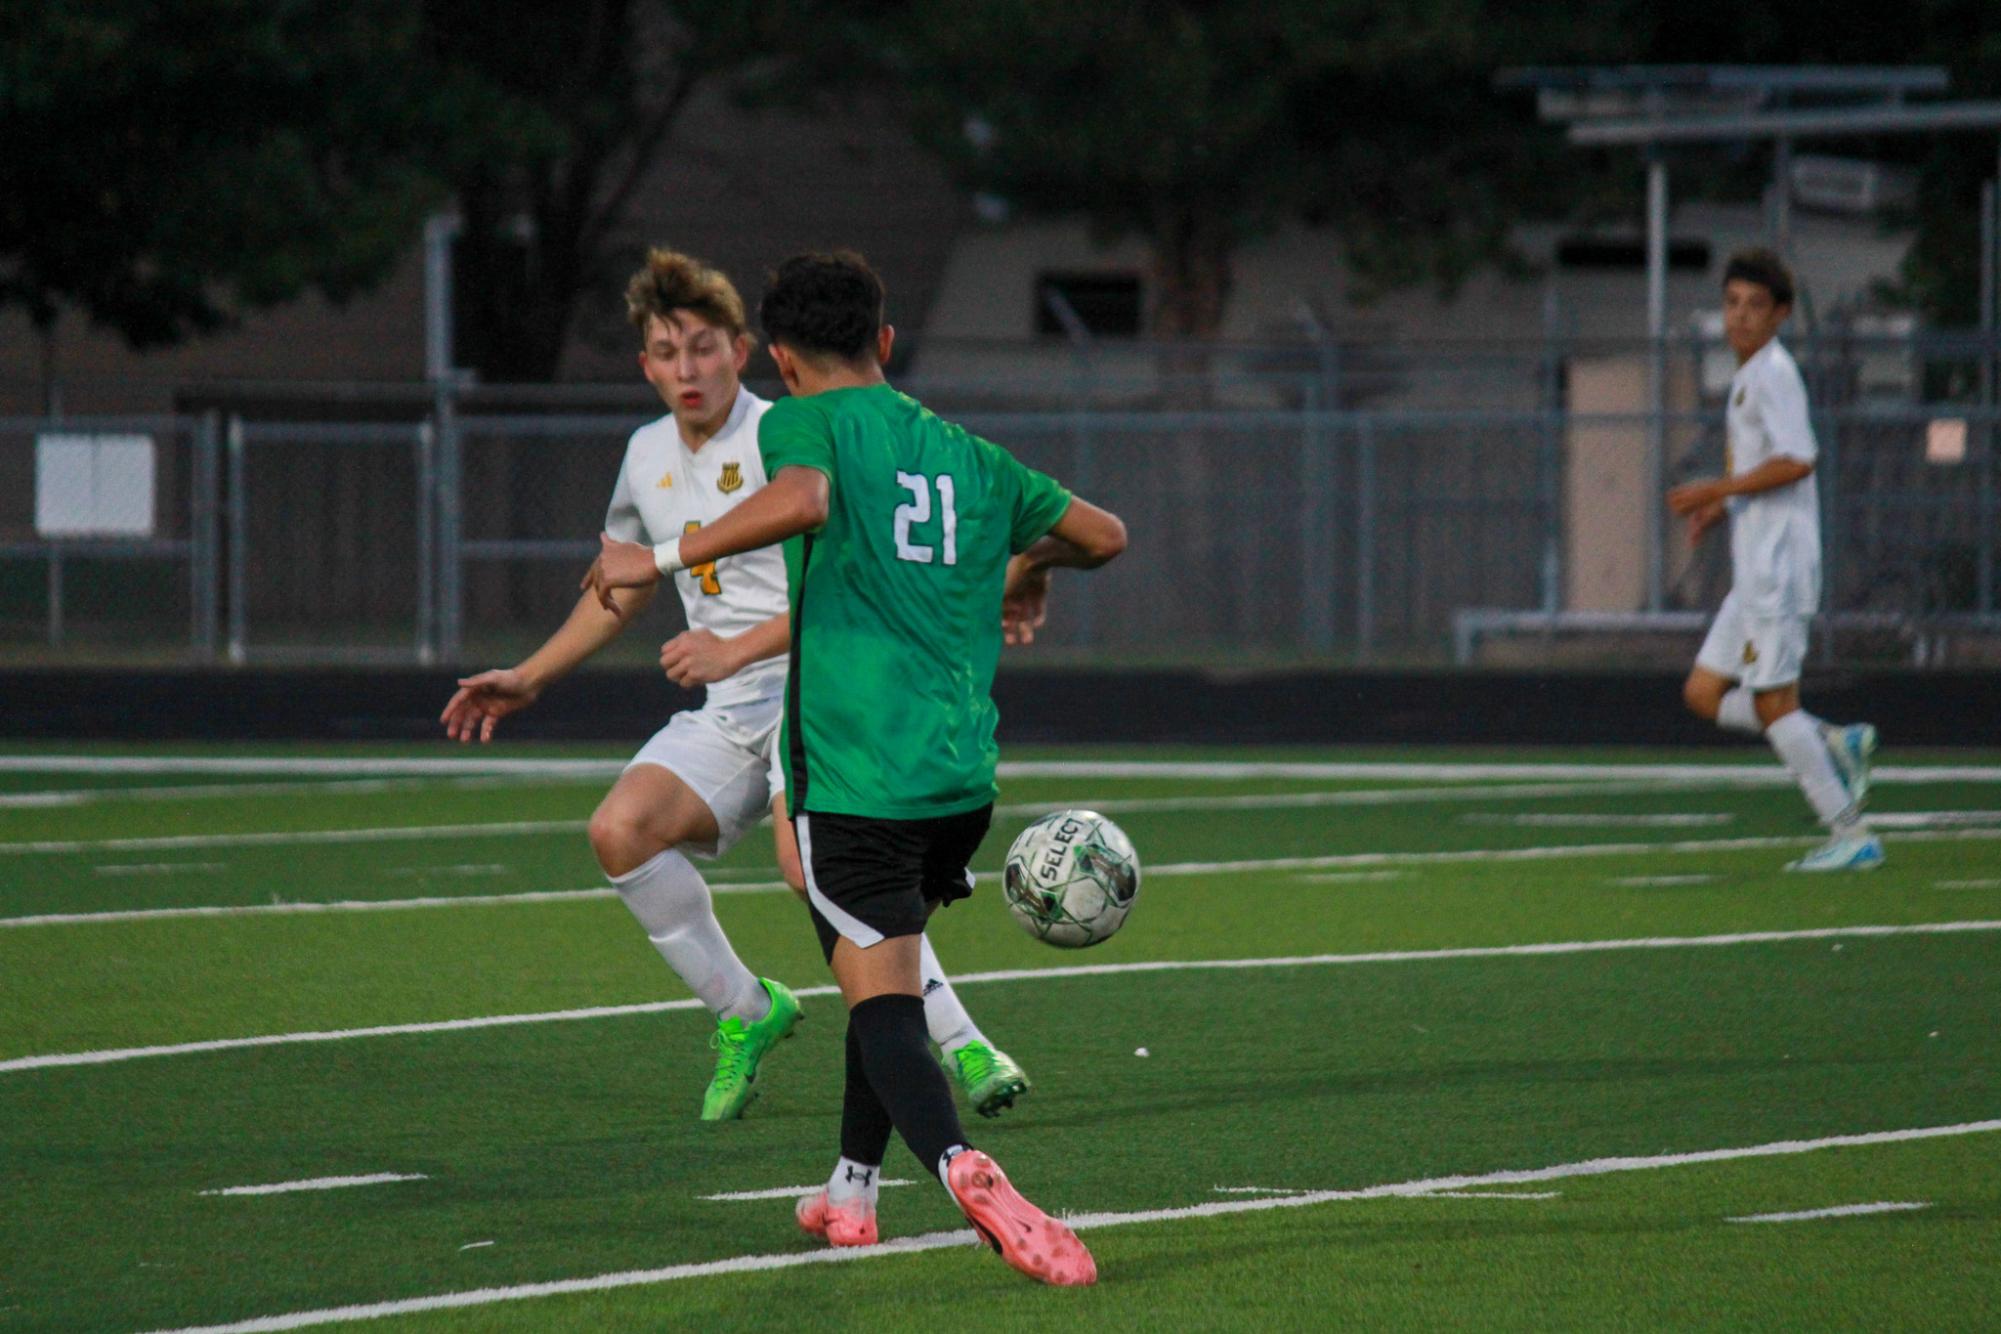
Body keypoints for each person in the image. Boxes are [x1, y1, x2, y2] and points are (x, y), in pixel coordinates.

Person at [589, 250, 1127, 1285]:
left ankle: (966, 1166)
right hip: (960, 779)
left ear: (780, 362)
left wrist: (654, 558)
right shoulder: (970, 453)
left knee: (882, 1003)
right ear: (885, 342)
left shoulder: (804, 423)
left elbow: (801, 500)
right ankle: (850, 1192)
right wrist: (1025, 570)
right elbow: (1102, 534)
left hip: (855, 771)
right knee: (872, 957)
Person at [440, 248, 1032, 1121]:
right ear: (644, 365)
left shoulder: (787, 432)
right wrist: (528, 678)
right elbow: (624, 585)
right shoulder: (643, 454)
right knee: (621, 830)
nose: (688, 368)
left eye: (704, 347)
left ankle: (963, 1041)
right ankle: (746, 1011)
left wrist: (738, 646)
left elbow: (858, 581)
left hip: (820, 686)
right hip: (732, 704)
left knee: (810, 866)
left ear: (745, 350)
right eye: (667, 352)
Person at [1667, 247, 1881, 872]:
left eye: (1755, 306)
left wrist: (1716, 489)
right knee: (1704, 694)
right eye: (1732, 303)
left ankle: (1851, 833)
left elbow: (1798, 459)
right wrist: (1723, 509)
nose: (1740, 317)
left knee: (1770, 705)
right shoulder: (1748, 377)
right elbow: (1768, 472)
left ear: (1780, 314)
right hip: (1754, 571)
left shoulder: (1774, 372)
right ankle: (1829, 739)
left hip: (1779, 570)